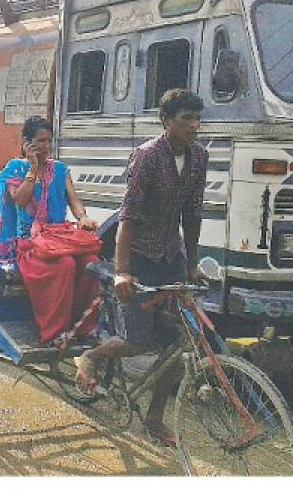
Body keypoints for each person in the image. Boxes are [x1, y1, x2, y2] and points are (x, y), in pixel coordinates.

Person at [75, 88, 208, 447]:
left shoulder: (199, 157)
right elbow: (128, 218)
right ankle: (90, 355)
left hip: (172, 256)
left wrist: (192, 266)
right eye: (186, 119)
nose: (195, 126)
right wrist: (121, 270)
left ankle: (154, 418)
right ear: (167, 122)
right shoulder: (147, 157)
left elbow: (192, 216)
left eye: (198, 119)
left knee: (178, 343)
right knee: (138, 340)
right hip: (137, 254)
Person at [0, 116, 100, 346]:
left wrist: (82, 218)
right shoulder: (15, 168)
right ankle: (54, 333)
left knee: (92, 262)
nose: (45, 146)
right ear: (26, 143)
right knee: (65, 265)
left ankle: (82, 327)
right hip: (30, 244)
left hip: (59, 239)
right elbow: (20, 200)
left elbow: (74, 200)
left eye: (48, 141)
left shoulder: (60, 169)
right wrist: (32, 169)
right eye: (39, 141)